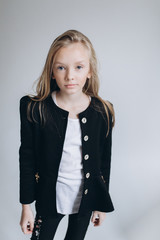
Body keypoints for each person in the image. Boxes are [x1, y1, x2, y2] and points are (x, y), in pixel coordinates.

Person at [19, 29, 115, 240]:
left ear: (89, 71)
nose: (70, 75)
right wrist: (26, 206)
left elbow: (103, 162)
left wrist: (101, 203)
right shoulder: (35, 109)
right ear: (52, 71)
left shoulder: (103, 112)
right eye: (61, 67)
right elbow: (27, 158)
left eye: (79, 67)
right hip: (48, 199)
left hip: (85, 201)